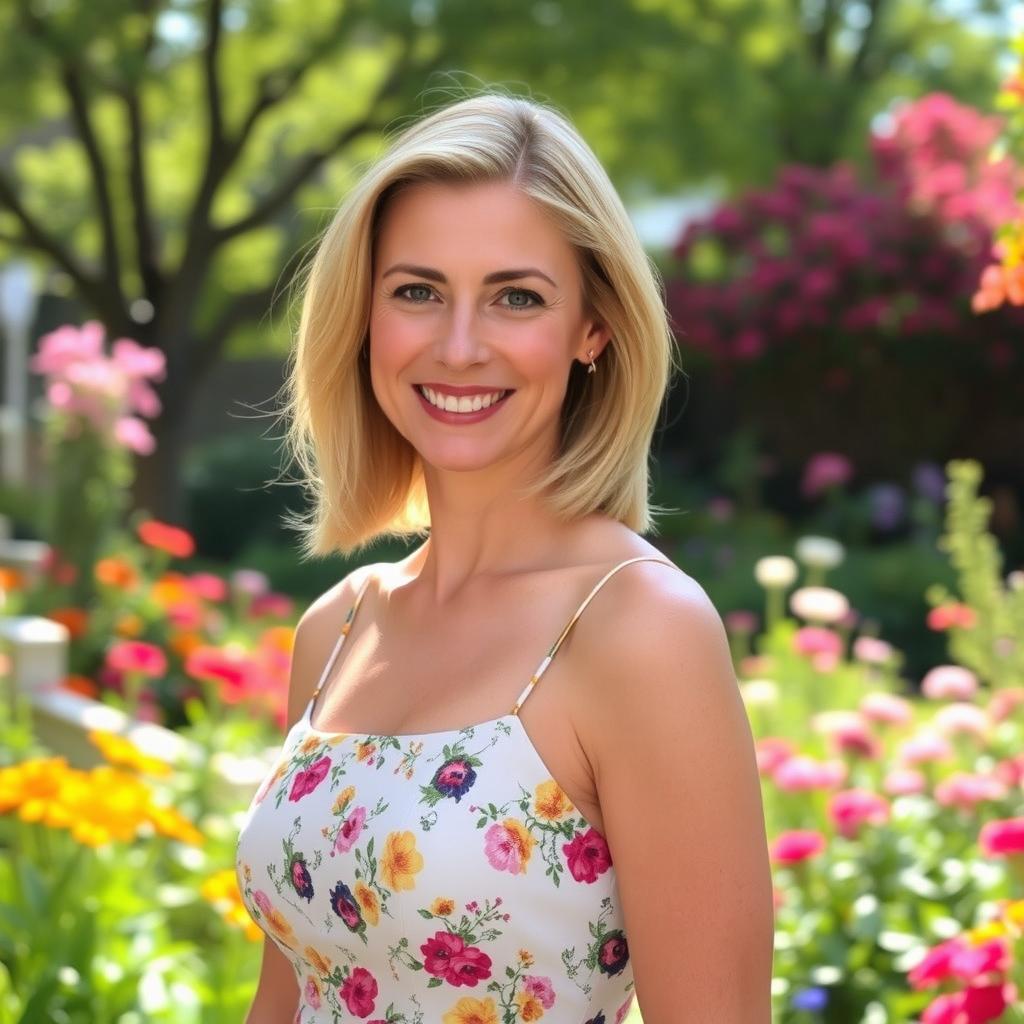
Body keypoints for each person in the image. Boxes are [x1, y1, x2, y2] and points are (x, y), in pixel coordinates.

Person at [235, 89, 774, 1024]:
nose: (458, 345)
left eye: (515, 297)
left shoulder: (640, 630)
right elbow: (288, 992)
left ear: (593, 329)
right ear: (365, 317)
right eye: (417, 291)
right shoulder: (340, 626)